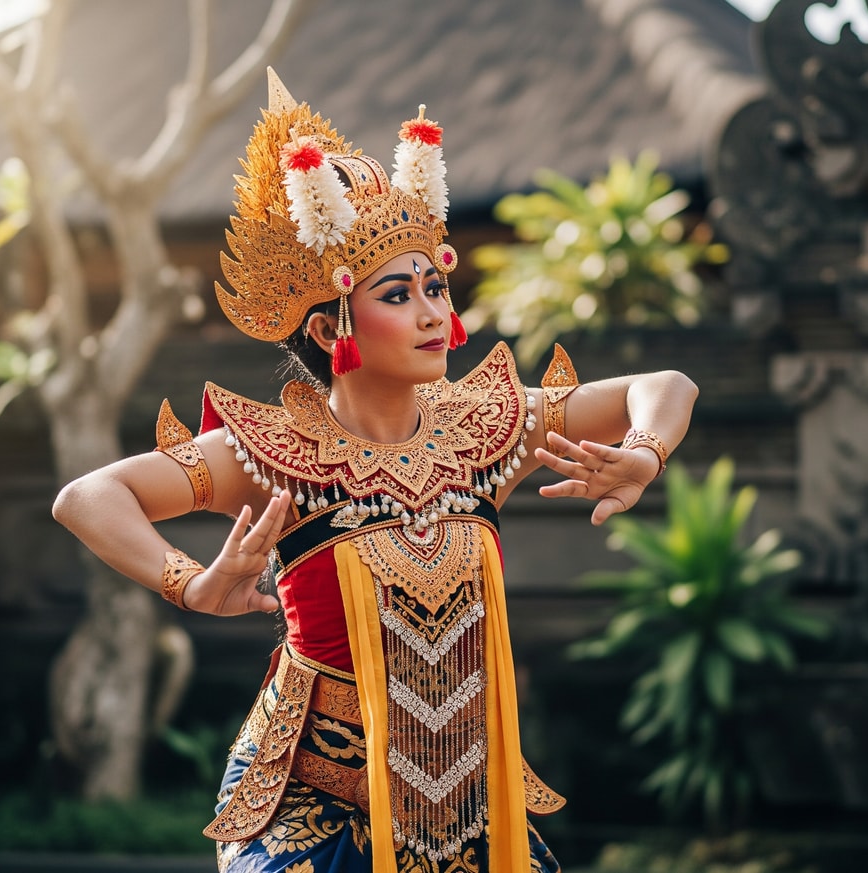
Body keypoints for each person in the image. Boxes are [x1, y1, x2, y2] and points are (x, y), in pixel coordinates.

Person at [51, 69, 696, 873]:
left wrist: (640, 454)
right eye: (400, 293)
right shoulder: (272, 453)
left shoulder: (488, 429)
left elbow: (663, 387)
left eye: (437, 284)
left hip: (463, 804)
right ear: (331, 325)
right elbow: (88, 496)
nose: (434, 311)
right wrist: (190, 582)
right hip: (310, 800)